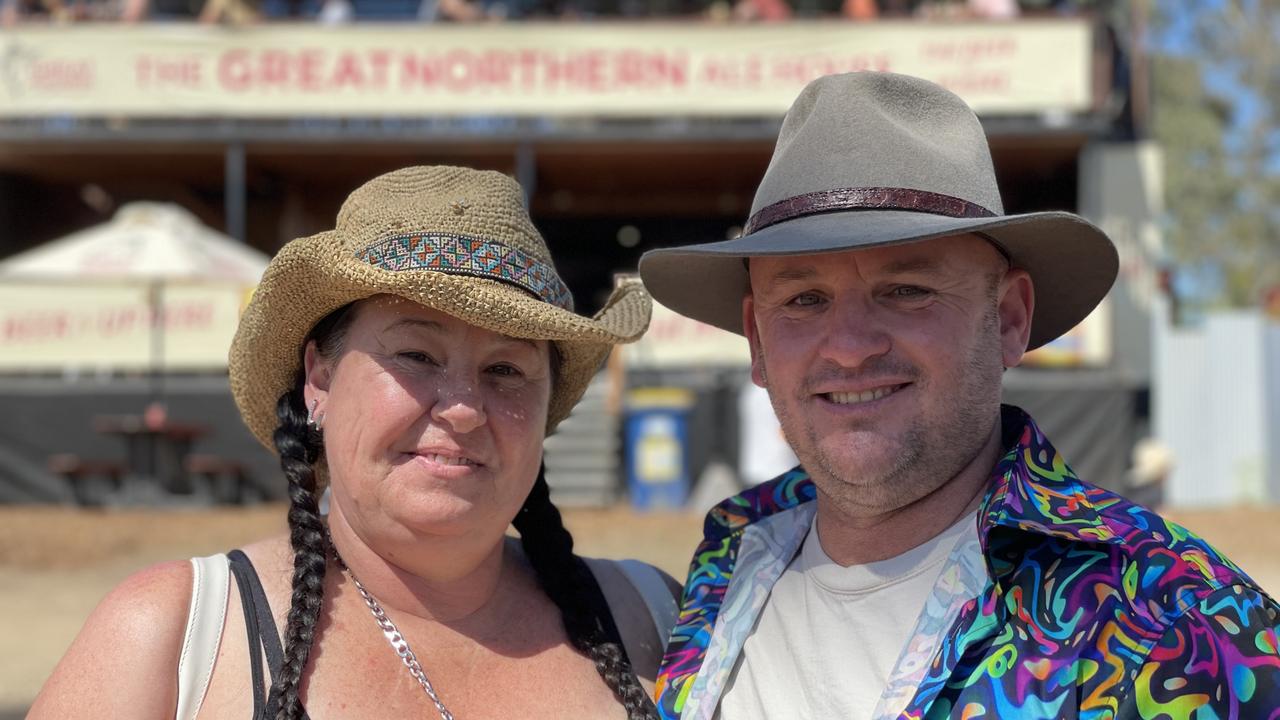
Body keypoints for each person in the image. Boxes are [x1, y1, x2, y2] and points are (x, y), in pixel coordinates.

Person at [639, 72, 1280, 719]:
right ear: (756, 340)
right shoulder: (729, 554)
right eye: (805, 300)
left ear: (1007, 318)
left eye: (906, 289)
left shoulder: (1174, 621)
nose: (849, 346)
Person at [29, 166, 678, 720]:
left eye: (505, 370)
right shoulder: (173, 639)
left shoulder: (656, 621)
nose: (463, 409)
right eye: (417, 354)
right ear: (320, 378)